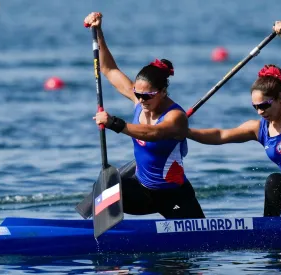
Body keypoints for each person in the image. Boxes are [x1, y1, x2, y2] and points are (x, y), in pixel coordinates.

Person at [187, 21, 281, 217]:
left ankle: (268, 233)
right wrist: (184, 132)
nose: (260, 111)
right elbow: (220, 135)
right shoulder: (259, 129)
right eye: (255, 107)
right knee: (276, 182)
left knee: (274, 181)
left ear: (280, 98)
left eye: (264, 105)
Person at [84, 12, 205, 219]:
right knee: (106, 189)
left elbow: (153, 133)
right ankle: (108, 235)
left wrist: (114, 123)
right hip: (142, 192)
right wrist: (98, 31)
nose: (140, 99)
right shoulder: (140, 101)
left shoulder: (176, 117)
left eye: (147, 95)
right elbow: (109, 69)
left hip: (174, 196)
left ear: (163, 92)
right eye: (137, 94)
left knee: (194, 248)